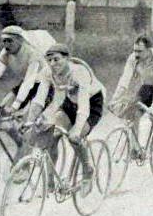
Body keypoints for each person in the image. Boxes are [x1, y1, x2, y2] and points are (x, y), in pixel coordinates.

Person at [27, 44, 106, 189]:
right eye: (49, 60)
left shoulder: (79, 72)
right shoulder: (47, 72)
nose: (52, 64)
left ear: (67, 59)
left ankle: (88, 169)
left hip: (92, 102)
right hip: (70, 101)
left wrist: (76, 129)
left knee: (74, 138)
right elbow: (39, 99)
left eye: (56, 60)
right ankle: (50, 181)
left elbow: (83, 106)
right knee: (53, 134)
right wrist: (30, 121)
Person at [110, 35, 153, 159]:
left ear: (149, 49)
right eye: (135, 50)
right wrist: (114, 99)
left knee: (152, 115)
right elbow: (124, 80)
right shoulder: (133, 59)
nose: (136, 54)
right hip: (147, 86)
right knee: (133, 114)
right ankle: (136, 149)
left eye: (139, 51)